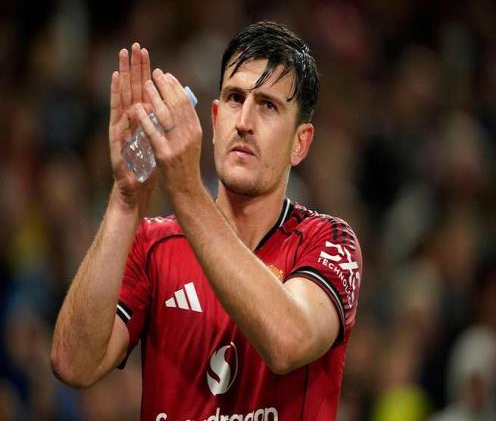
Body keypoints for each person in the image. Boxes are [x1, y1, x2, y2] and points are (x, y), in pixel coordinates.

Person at [51, 21, 363, 420]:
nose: (244, 121)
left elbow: (289, 342)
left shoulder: (328, 240)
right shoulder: (153, 243)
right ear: (214, 120)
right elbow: (73, 364)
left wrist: (185, 190)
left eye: (268, 105)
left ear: (300, 143)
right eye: (235, 98)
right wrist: (126, 201)